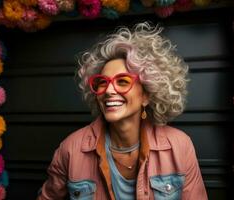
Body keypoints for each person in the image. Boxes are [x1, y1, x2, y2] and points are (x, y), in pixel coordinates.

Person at [37, 22, 207, 200]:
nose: (109, 91)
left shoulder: (179, 146)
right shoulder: (71, 150)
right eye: (102, 82)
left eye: (123, 81)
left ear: (146, 95)